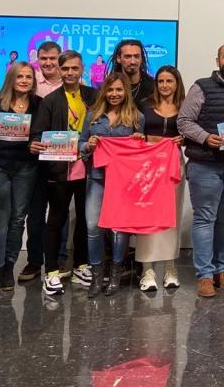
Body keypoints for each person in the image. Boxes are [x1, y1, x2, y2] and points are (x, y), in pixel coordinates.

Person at [177, 43, 224, 298]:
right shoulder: (201, 86)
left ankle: (222, 270)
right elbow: (184, 121)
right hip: (205, 165)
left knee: (223, 220)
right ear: (218, 59)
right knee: (205, 219)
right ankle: (205, 275)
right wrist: (205, 137)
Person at [29, 50, 97, 296]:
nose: (69, 73)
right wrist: (34, 143)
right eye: (65, 69)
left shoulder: (93, 96)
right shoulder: (50, 100)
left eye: (74, 68)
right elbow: (37, 133)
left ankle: (80, 265)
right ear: (59, 70)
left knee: (84, 219)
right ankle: (52, 272)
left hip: (89, 167)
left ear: (82, 69)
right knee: (56, 219)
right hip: (59, 168)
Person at [80, 73, 145, 297]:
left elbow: (141, 154)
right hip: (96, 178)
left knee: (119, 228)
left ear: (125, 91)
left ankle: (116, 275)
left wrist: (139, 141)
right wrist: (87, 145)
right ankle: (97, 276)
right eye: (110, 90)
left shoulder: (136, 117)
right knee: (92, 226)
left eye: (119, 90)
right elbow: (80, 145)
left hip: (123, 183)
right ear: (104, 91)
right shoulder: (93, 116)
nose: (114, 94)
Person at [0, 61, 41, 292]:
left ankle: (9, 267)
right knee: (0, 218)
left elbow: (43, 133)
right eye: (20, 76)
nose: (24, 80)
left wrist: (40, 143)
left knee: (17, 219)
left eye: (28, 77)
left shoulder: (39, 104)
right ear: (11, 80)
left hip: (26, 167)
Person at [18, 40, 65, 283]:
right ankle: (34, 261)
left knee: (61, 213)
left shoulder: (76, 85)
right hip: (35, 160)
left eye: (52, 59)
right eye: (43, 59)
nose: (48, 63)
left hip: (63, 160)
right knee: (35, 214)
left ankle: (60, 261)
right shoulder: (30, 83)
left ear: (61, 59)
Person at [136, 66, 186, 291]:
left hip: (174, 164)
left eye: (169, 81)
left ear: (177, 83)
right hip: (147, 165)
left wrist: (184, 139)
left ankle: (170, 268)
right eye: (161, 81)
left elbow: (192, 133)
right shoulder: (145, 105)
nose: (165, 85)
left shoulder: (186, 107)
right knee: (146, 216)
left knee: (171, 217)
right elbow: (134, 130)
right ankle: (147, 270)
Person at [110, 39, 154, 107]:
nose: (132, 62)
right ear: (118, 58)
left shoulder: (153, 87)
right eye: (127, 57)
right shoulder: (108, 88)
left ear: (141, 59)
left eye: (136, 56)